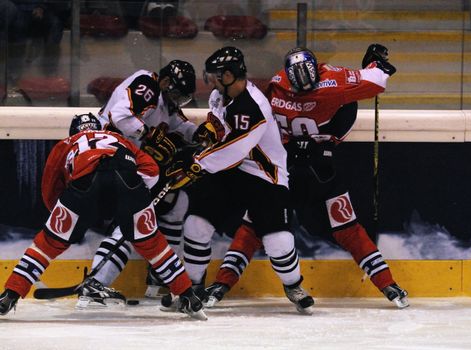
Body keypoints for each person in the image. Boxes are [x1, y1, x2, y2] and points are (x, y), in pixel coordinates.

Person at [203, 45, 410, 309]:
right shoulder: (285, 85)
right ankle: (222, 283)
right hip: (290, 168)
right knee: (258, 225)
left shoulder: (307, 82)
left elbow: (375, 80)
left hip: (313, 167)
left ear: (318, 72)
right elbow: (377, 79)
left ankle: (387, 283)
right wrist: (375, 65)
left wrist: (374, 66)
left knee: (344, 227)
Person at [0, 113, 207, 320]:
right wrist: (132, 200)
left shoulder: (67, 143)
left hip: (84, 183)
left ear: (73, 132)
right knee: (153, 245)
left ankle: (10, 294)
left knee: (47, 244)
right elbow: (151, 171)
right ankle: (189, 296)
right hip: (128, 181)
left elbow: (50, 188)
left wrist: (65, 220)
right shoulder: (118, 138)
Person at [162, 46, 315, 315]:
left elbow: (235, 149)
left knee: (279, 242)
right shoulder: (220, 96)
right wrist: (203, 139)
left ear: (230, 75)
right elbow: (220, 129)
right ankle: (192, 289)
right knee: (196, 225)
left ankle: (293, 285)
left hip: (264, 175)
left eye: (215, 76)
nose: (211, 81)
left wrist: (197, 164)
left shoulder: (253, 106)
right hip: (229, 171)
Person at [87, 59, 216, 301]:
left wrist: (200, 134)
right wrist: (148, 134)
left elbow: (180, 125)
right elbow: (120, 115)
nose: (177, 101)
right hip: (108, 159)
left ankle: (159, 278)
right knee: (131, 221)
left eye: (182, 98)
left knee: (175, 206)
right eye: (176, 94)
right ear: (166, 82)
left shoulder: (164, 101)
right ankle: (95, 283)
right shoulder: (148, 85)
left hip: (127, 163)